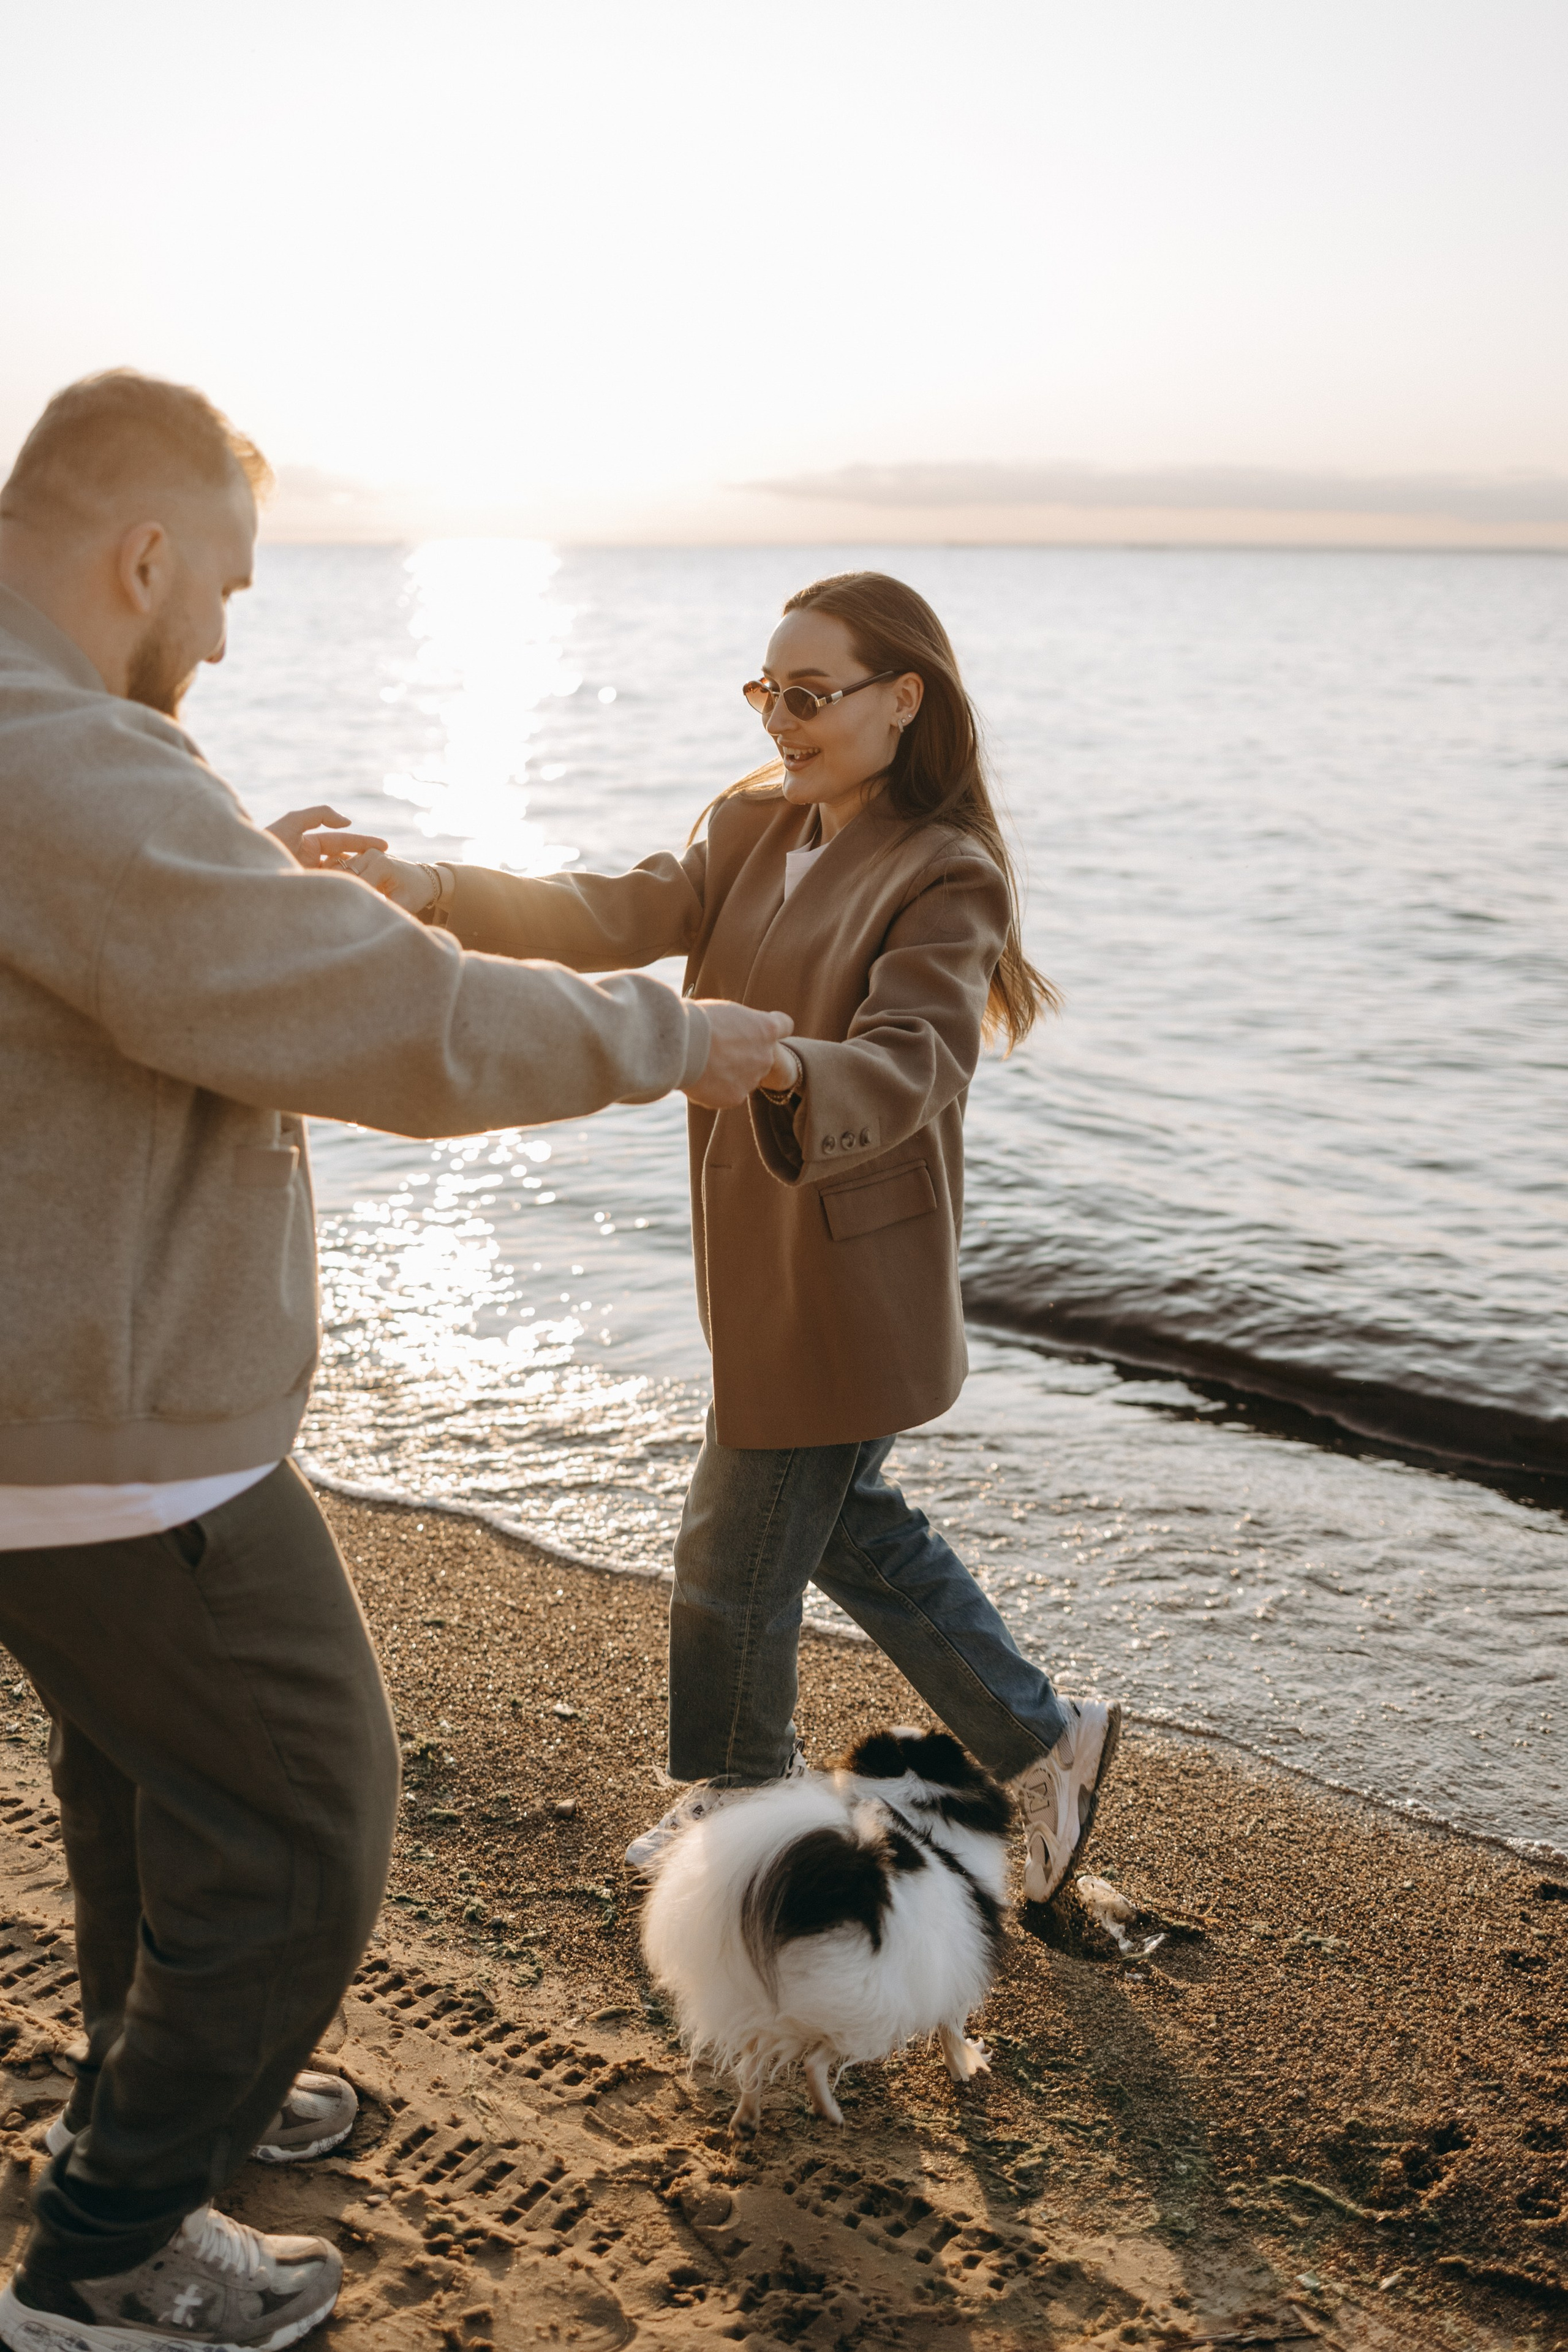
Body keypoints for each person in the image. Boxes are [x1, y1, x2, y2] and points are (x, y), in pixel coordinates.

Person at [0, 368, 791, 2352]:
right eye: (233, 588)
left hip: (57, 1409)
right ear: (148, 550)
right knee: (301, 1823)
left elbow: (127, 950)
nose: (230, 628)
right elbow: (388, 1021)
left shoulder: (59, 768)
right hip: (109, 1434)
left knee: (155, 1790)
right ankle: (108, 2252)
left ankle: (182, 2092)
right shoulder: (59, 748)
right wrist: (666, 1035)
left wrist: (240, 876)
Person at [349, 570, 1122, 1907]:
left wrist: (773, 1071)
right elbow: (615, 913)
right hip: (753, 1246)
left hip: (848, 1270)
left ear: (901, 701)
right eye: (768, 690)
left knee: (737, 1531)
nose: (781, 718)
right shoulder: (750, 824)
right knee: (837, 1530)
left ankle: (742, 1786)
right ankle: (1041, 1739)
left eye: (810, 695)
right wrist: (427, 884)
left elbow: (909, 1064)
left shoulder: (944, 871)